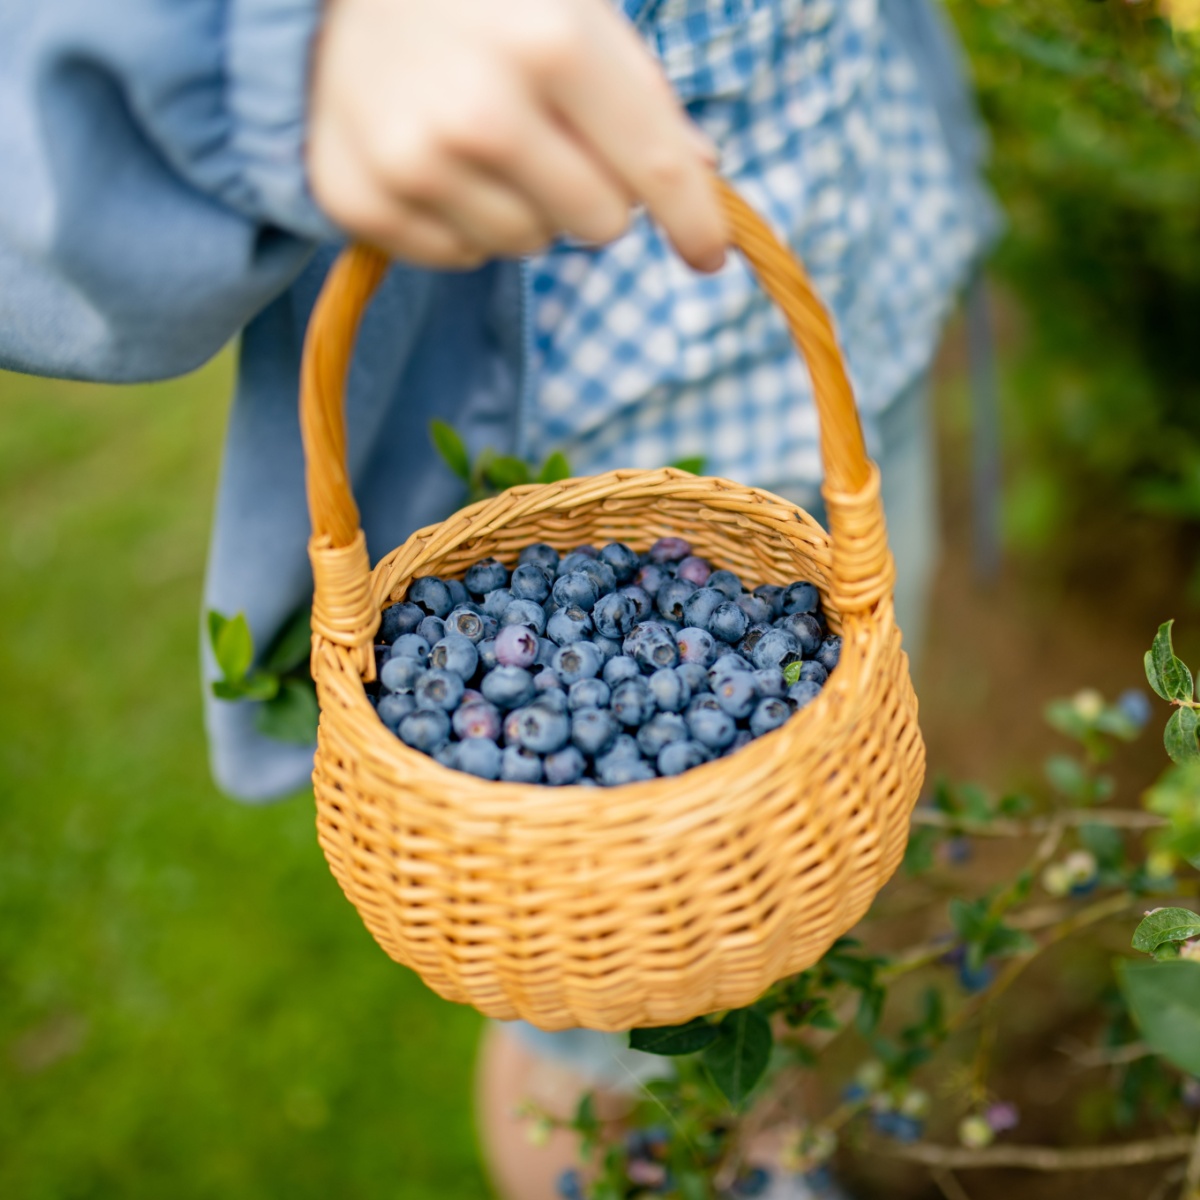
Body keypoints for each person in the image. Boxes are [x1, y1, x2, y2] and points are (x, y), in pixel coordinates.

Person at [0, 0, 996, 1195]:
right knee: (578, 1015)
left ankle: (760, 1133)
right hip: (557, 406)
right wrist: (275, 56)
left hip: (841, 306)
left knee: (770, 896)